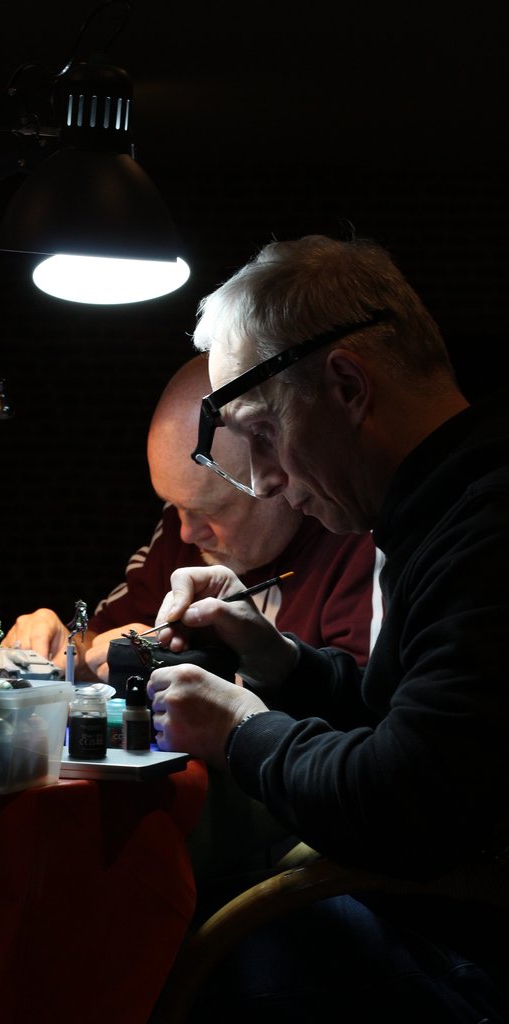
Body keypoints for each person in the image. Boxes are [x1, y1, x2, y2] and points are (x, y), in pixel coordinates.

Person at [146, 235, 509, 1020]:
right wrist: (276, 658)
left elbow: (404, 803)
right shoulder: (447, 504)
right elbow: (418, 736)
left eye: (261, 434)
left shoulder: (489, 529)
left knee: (158, 955)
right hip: (453, 918)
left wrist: (240, 730)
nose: (266, 480)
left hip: (486, 965)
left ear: (346, 385)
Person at [2, 355, 381, 680]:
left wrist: (204, 676)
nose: (185, 532)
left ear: (277, 475)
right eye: (174, 506)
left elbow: (365, 715)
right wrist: (65, 647)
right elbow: (97, 639)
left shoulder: (357, 538)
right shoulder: (184, 526)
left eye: (209, 509)